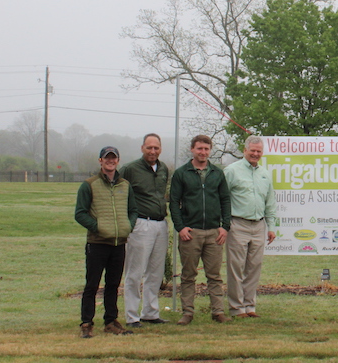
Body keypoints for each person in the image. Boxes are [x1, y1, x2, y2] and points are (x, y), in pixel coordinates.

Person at [74, 146, 138, 338]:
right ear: (100, 160)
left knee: (113, 285)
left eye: (113, 158)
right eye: (106, 158)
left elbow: (133, 210)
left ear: (118, 160)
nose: (110, 161)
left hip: (119, 244)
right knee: (92, 285)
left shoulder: (125, 185)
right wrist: (98, 227)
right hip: (97, 243)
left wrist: (128, 226)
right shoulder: (89, 185)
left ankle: (111, 321)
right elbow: (80, 213)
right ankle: (87, 322)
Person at [170, 134, 232, 325]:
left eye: (206, 149)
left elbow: (225, 200)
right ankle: (187, 312)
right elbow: (173, 202)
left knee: (214, 276)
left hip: (214, 232)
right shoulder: (181, 173)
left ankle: (218, 312)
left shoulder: (217, 173)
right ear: (192, 150)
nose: (203, 152)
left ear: (210, 150)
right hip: (191, 233)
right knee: (188, 275)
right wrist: (180, 227)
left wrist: (225, 227)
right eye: (199, 149)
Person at [224, 135, 278, 318]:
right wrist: (223, 224)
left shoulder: (265, 173)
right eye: (252, 150)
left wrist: (271, 226)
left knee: (254, 267)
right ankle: (236, 308)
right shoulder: (231, 171)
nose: (255, 154)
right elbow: (222, 198)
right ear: (245, 150)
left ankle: (250, 306)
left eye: (258, 151)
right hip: (237, 224)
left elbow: (270, 202)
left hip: (259, 225)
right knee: (236, 267)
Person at [121, 133, 170, 328]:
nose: (153, 151)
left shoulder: (163, 168)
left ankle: (150, 312)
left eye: (156, 148)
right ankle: (132, 316)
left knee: (155, 272)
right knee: (135, 272)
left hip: (161, 224)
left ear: (160, 149)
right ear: (142, 148)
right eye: (149, 148)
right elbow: (119, 194)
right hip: (141, 224)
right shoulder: (130, 169)